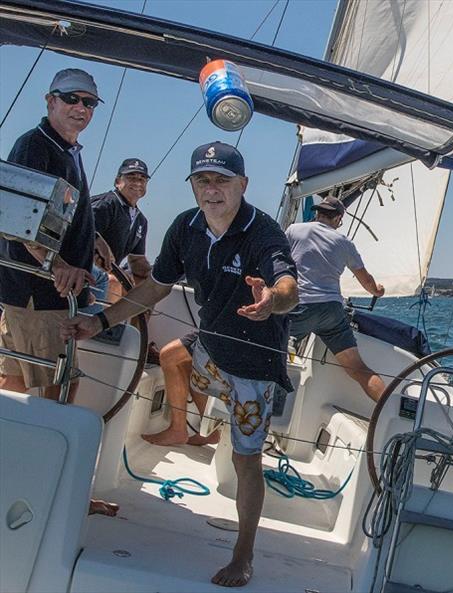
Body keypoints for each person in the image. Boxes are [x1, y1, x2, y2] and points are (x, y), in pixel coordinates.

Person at [61, 141, 299, 588]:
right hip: (210, 346)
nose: (212, 190)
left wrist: (271, 302)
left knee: (246, 458)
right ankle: (185, 427)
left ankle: (243, 555)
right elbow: (157, 287)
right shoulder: (185, 228)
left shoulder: (262, 231)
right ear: (192, 186)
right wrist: (100, 320)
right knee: (172, 355)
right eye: (202, 180)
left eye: (222, 180)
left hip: (253, 362)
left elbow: (289, 286)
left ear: (242, 185)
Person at [0, 68, 118, 517]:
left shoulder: (67, 150)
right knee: (49, 395)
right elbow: (19, 219)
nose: (81, 109)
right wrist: (61, 265)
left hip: (30, 295)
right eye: (72, 98)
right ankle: (45, 493)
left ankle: (16, 480)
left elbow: (64, 211)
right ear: (50, 100)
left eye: (90, 103)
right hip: (40, 296)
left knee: (13, 387)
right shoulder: (35, 146)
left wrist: (94, 243)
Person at [285, 195, 386, 402]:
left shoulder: (295, 230)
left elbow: (277, 259)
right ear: (338, 219)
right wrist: (378, 291)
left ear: (317, 213)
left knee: (268, 348)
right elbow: (366, 281)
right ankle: (386, 410)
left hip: (301, 306)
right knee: (358, 368)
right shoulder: (344, 243)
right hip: (332, 310)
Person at [88, 158, 153, 310]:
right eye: (131, 178)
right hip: (86, 269)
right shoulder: (105, 204)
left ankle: (135, 330)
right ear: (117, 181)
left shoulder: (141, 220)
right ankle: (102, 330)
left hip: (112, 272)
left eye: (142, 179)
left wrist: (160, 276)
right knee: (113, 282)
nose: (137, 183)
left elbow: (137, 262)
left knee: (146, 287)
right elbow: (81, 233)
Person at [142, 333, 221, 446]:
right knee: (187, 361)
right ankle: (209, 431)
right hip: (231, 333)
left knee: (169, 356)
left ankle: (177, 429)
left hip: (222, 332)